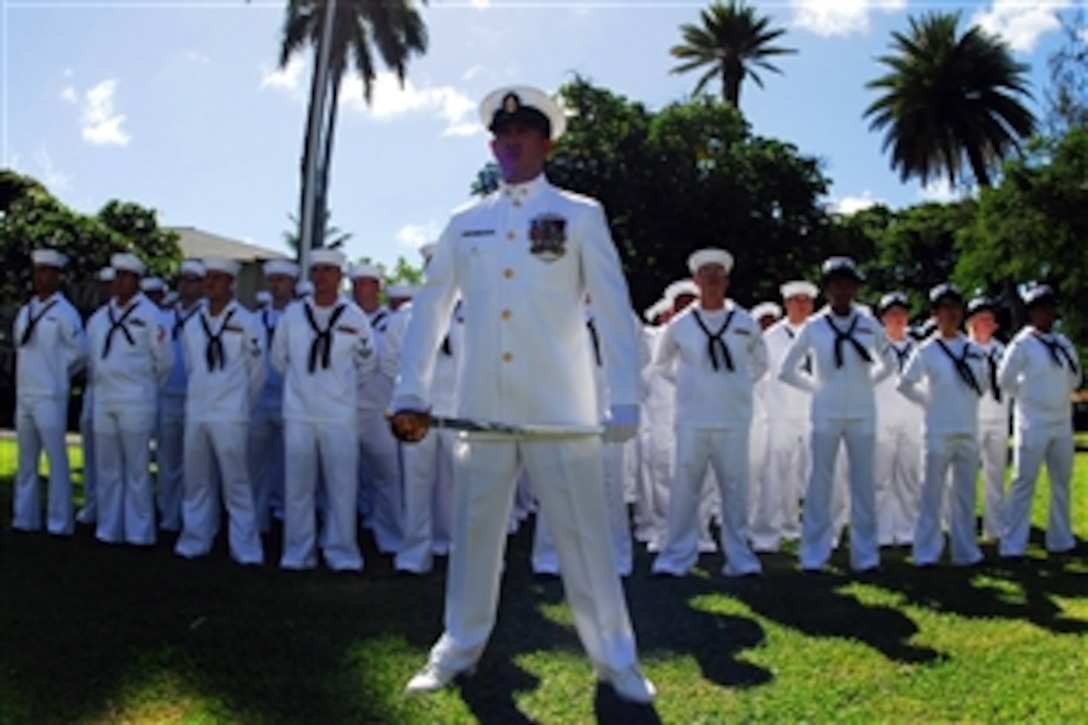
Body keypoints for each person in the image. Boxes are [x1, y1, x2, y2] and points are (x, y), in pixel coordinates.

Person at [389, 85, 654, 703]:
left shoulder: (581, 214)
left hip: (560, 409)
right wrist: (411, 390)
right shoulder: (465, 223)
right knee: (475, 535)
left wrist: (625, 398)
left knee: (585, 540)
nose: (512, 143)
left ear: (545, 143)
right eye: (503, 136)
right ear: (492, 145)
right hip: (483, 407)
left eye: (525, 133)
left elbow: (613, 310)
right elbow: (429, 311)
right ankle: (457, 649)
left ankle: (616, 660)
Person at [651, 248, 766, 578]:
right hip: (692, 419)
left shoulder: (744, 321)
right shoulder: (680, 324)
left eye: (718, 273)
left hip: (733, 418)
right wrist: (691, 385)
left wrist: (738, 387)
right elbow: (662, 365)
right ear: (695, 280)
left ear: (727, 280)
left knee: (734, 489)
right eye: (706, 274)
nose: (713, 279)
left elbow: (762, 363)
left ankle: (739, 557)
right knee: (685, 489)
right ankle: (676, 557)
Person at [778, 257, 894, 574]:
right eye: (836, 284)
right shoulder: (814, 327)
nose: (842, 290)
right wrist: (817, 388)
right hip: (826, 414)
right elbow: (786, 370)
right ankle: (814, 552)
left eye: (848, 284)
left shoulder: (868, 323)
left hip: (862, 414)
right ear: (827, 289)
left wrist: (865, 384)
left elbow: (890, 363)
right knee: (819, 484)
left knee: (863, 485)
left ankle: (866, 555)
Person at [271, 249, 377, 571]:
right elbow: (279, 359)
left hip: (339, 414)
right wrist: (300, 389)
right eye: (316, 271)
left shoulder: (353, 317)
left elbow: (367, 363)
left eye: (329, 271)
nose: (322, 277)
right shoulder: (293, 314)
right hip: (299, 412)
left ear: (340, 277)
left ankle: (341, 550)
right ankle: (297, 552)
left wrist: (340, 390)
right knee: (298, 487)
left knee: (341, 486)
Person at [174, 257, 265, 564]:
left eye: (217, 278)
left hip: (230, 413)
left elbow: (257, 372)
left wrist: (241, 403)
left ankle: (245, 548)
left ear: (231, 284)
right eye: (207, 278)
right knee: (196, 481)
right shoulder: (193, 323)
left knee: (236, 483)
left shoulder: (248, 321)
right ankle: (195, 539)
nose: (210, 283)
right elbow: (190, 366)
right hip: (198, 410)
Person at [85, 253, 173, 546]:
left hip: (136, 400)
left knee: (136, 469)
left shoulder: (151, 317)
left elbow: (164, 362)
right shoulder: (99, 319)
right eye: (117, 276)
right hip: (105, 398)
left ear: (136, 281)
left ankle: (139, 531)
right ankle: (109, 527)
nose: (119, 282)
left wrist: (145, 388)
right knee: (108, 467)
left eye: (126, 276)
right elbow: (93, 358)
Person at [897, 285, 985, 567]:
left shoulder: (973, 349)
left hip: (968, 429)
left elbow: (981, 385)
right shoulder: (926, 350)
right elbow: (905, 384)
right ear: (935, 314)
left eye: (956, 307)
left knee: (966, 495)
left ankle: (966, 550)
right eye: (945, 308)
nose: (951, 313)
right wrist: (929, 402)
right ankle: (926, 551)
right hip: (938, 431)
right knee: (931, 495)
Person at [997, 285, 1081, 559]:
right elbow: (1005, 379)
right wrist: (1028, 395)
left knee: (1061, 482)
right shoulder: (1023, 344)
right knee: (1024, 481)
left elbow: (1076, 376)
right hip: (1032, 421)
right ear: (1031, 313)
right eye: (1039, 308)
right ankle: (1013, 544)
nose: (1045, 313)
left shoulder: (1062, 343)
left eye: (1049, 308)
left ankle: (1060, 538)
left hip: (1060, 420)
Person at [11, 249, 87, 536]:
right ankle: (24, 518)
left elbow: (80, 352)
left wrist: (57, 372)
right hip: (26, 392)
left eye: (47, 272)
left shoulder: (65, 313)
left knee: (56, 459)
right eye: (38, 271)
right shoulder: (26, 310)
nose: (41, 277)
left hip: (50, 395)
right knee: (26, 460)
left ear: (58, 277)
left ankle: (59, 522)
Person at [755, 280, 817, 552]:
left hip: (813, 411)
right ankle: (767, 531)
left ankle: (796, 525)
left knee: (810, 473)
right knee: (776, 472)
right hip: (781, 412)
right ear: (786, 305)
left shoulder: (819, 332)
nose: (801, 305)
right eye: (796, 301)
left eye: (806, 301)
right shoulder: (771, 337)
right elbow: (761, 375)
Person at [349, 262, 404, 554]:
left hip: (379, 410)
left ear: (379, 288)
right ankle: (343, 534)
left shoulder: (393, 321)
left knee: (388, 474)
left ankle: (391, 535)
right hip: (343, 408)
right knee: (341, 477)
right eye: (357, 284)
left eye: (369, 283)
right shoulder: (342, 317)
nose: (363, 289)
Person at [248, 259, 298, 531]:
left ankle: (287, 515)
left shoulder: (302, 316)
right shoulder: (254, 320)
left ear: (292, 284)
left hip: (290, 398)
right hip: (259, 397)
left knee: (290, 461)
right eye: (273, 280)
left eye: (282, 280)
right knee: (256, 461)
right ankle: (257, 517)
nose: (276, 285)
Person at [157, 259, 205, 532]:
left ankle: (193, 520)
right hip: (168, 395)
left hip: (196, 398)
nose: (187, 286)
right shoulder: (164, 316)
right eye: (184, 280)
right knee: (168, 460)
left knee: (195, 466)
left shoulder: (206, 317)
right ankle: (168, 516)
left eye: (194, 281)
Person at [873, 292, 923, 546]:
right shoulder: (874, 347)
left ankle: (905, 529)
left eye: (901, 314)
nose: (897, 319)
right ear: (882, 319)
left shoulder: (918, 348)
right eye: (892, 314)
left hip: (912, 418)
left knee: (907, 476)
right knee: (880, 478)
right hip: (883, 417)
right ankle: (881, 530)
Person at [965, 296, 1010, 540]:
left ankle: (995, 526)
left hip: (998, 418)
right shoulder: (963, 350)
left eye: (989, 319)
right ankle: (965, 523)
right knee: (967, 476)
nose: (985, 323)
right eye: (980, 318)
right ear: (971, 322)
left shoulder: (1003, 351)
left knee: (995, 475)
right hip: (972, 418)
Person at [76, 266, 117, 526]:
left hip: (120, 394)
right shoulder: (97, 319)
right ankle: (93, 503)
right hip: (94, 391)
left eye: (110, 285)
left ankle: (112, 511)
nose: (106, 291)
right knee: (91, 453)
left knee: (114, 459)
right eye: (103, 286)